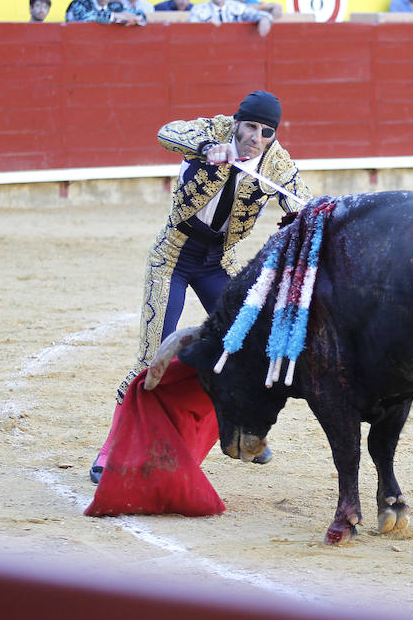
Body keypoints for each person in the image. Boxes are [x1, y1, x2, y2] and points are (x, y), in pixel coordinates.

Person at [89, 90, 312, 484]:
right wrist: (208, 147)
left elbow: (301, 203)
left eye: (266, 131)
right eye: (249, 127)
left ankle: (245, 431)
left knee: (244, 349)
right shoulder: (214, 130)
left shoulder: (276, 162)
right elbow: (167, 133)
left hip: (219, 264)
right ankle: (113, 448)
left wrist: (306, 213)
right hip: (172, 258)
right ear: (237, 122)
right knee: (150, 358)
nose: (255, 138)